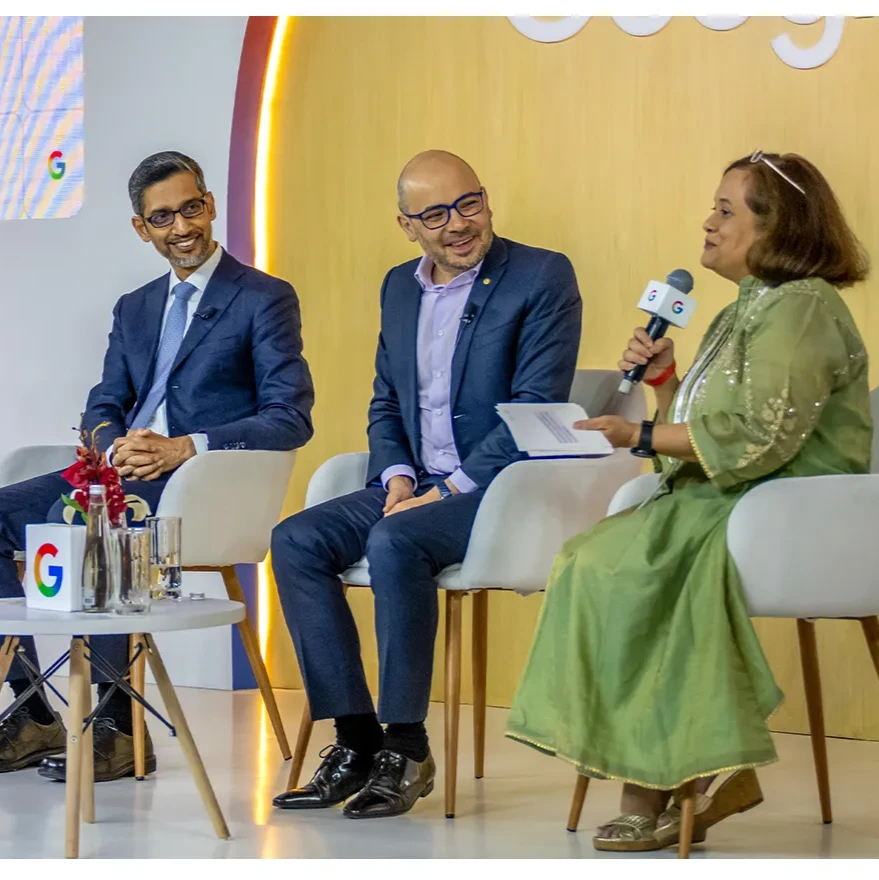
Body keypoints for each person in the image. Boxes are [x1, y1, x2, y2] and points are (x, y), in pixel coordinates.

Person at [506, 151, 872, 852]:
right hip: (728, 494)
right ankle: (677, 776)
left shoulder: (799, 309)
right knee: (591, 560)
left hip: (787, 506)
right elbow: (705, 423)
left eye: (726, 210)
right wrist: (663, 382)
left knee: (629, 569)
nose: (707, 223)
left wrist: (639, 431)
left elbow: (756, 437)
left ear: (778, 227)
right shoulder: (748, 309)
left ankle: (667, 781)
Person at [271, 150, 583, 819]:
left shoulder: (540, 277)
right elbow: (386, 400)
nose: (457, 224)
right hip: (419, 484)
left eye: (468, 203)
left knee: (395, 540)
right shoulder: (397, 287)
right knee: (295, 540)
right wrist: (397, 475)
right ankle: (356, 741)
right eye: (434, 214)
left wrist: (448, 489)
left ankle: (406, 747)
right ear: (405, 224)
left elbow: (537, 405)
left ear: (486, 199)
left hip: (503, 488)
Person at [0, 150, 314, 781]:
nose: (183, 227)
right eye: (163, 216)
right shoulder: (135, 307)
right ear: (142, 228)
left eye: (191, 208)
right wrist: (116, 442)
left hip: (198, 484)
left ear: (211, 205)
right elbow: (102, 403)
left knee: (107, 526)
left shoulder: (263, 298)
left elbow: (290, 416)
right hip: (123, 471)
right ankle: (33, 709)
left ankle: (118, 726)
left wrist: (183, 446)